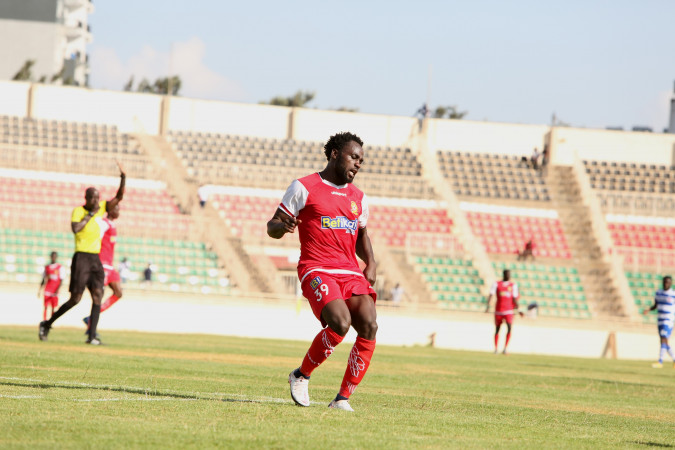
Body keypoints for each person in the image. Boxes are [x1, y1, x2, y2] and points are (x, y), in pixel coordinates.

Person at [267, 132, 377, 412]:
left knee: (369, 325)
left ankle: (342, 399)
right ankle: (301, 375)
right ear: (335, 154)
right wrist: (282, 227)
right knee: (340, 323)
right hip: (316, 267)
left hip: (349, 271)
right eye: (354, 157)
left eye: (361, 160)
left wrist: (371, 263)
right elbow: (273, 226)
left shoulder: (359, 199)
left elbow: (362, 235)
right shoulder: (303, 187)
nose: (358, 164)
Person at [39, 162, 126, 345]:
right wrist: (89, 215)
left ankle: (92, 336)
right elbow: (76, 229)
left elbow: (118, 197)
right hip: (81, 258)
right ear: (86, 198)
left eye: (98, 198)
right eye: (93, 198)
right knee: (75, 299)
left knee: (97, 295)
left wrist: (123, 177)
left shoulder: (102, 207)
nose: (96, 201)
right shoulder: (78, 211)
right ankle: (47, 324)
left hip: (95, 259)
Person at [83, 203, 123, 334]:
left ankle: (90, 319)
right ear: (110, 210)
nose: (118, 211)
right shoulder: (103, 223)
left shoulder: (112, 224)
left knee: (118, 293)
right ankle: (91, 328)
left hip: (110, 266)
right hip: (102, 264)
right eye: (116, 208)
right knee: (98, 295)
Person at [485, 269, 523, 355]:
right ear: (504, 274)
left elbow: (514, 298)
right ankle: (496, 348)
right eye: (507, 274)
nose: (508, 276)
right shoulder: (497, 284)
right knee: (497, 329)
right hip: (499, 310)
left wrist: (518, 309)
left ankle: (505, 348)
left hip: (509, 310)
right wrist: (488, 306)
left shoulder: (513, 285)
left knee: (509, 328)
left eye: (509, 274)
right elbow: (491, 294)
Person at [643, 275, 675, 368]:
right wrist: (649, 309)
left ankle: (660, 361)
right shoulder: (658, 293)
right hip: (660, 319)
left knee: (664, 339)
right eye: (664, 282)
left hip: (668, 320)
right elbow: (656, 305)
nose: (666, 284)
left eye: (668, 282)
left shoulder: (673, 294)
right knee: (663, 341)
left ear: (670, 283)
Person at [36, 251, 65, 321]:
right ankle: (44, 321)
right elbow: (43, 280)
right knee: (45, 306)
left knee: (53, 307)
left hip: (55, 290)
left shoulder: (60, 267)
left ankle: (51, 322)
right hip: (47, 290)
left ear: (56, 257)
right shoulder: (47, 267)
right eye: (52, 256)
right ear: (51, 257)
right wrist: (39, 290)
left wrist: (57, 289)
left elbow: (61, 280)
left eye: (55, 256)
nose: (53, 258)